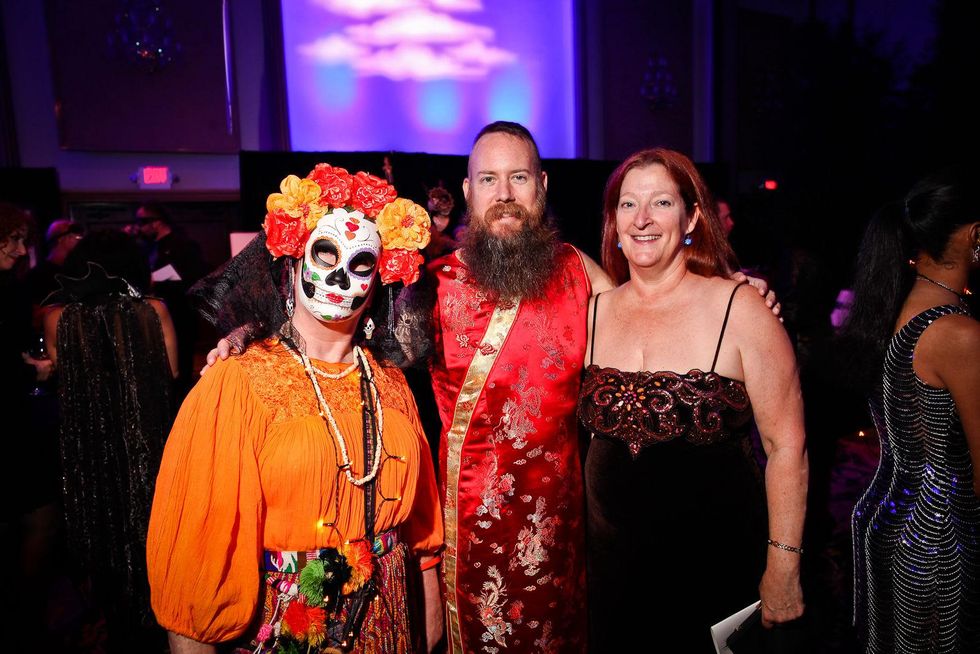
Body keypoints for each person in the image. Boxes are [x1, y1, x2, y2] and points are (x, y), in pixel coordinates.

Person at [208, 123, 782, 652]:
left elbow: (653, 306)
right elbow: (330, 315)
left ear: (543, 186)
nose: (504, 192)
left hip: (565, 540)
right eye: (488, 179)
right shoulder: (424, 284)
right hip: (463, 539)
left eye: (519, 177)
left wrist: (731, 290)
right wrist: (249, 334)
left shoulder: (581, 272)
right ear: (468, 190)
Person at [148, 165, 444, 653]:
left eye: (362, 263)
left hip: (391, 621)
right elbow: (197, 554)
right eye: (325, 254)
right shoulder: (238, 379)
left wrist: (428, 612)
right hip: (291, 628)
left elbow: (421, 523)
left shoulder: (392, 383)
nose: (340, 275)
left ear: (378, 283)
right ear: (293, 261)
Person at [577, 148, 808, 652]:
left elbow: (786, 444)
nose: (641, 220)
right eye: (627, 205)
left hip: (716, 573)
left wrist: (784, 564)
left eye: (660, 202)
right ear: (612, 220)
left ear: (692, 216)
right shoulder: (590, 311)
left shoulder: (741, 307)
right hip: (611, 576)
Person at [843, 166, 979, 652]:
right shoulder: (958, 334)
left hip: (882, 521)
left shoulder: (894, 307)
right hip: (938, 539)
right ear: (975, 235)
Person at [42, 228, 178, 651]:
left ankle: (113, 623)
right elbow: (172, 374)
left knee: (102, 530)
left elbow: (61, 378)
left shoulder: (55, 318)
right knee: (151, 527)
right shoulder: (153, 309)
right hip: (146, 433)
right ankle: (157, 617)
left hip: (89, 441)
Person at [137, 202, 210, 397]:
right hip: (157, 314)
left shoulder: (182, 245)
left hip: (180, 314)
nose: (140, 227)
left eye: (143, 221)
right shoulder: (149, 248)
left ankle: (183, 405)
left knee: (181, 365)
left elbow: (198, 276)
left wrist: (161, 280)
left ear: (157, 222)